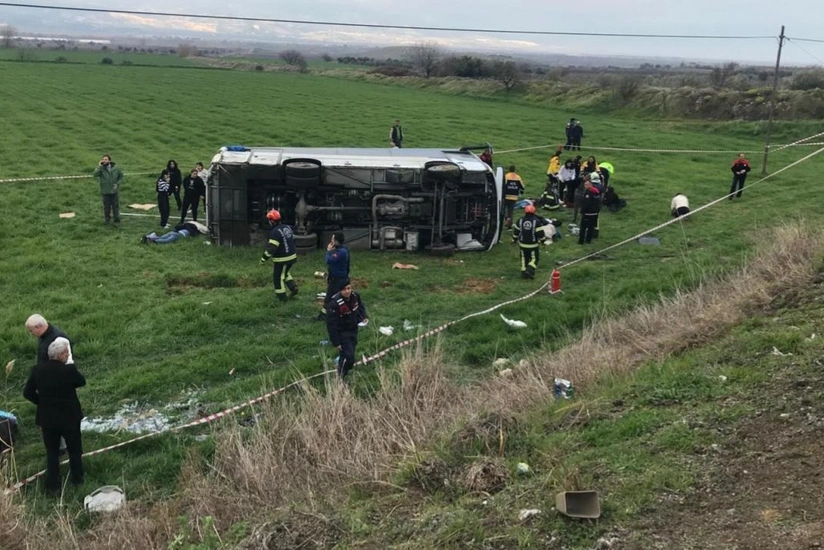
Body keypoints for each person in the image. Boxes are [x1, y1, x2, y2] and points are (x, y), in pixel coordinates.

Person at [23, 337, 86, 493]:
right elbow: (81, 382)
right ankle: (77, 480)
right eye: (66, 353)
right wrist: (72, 365)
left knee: (52, 451)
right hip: (69, 417)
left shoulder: (37, 370)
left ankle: (54, 485)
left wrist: (42, 403)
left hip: (48, 418)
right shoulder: (68, 370)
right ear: (62, 355)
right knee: (74, 450)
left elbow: (27, 392)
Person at [325, 279, 368, 379]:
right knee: (349, 357)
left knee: (349, 354)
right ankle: (341, 375)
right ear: (340, 291)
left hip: (354, 330)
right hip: (342, 333)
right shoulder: (334, 304)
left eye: (349, 288)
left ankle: (342, 372)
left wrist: (363, 317)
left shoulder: (355, 296)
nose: (347, 291)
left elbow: (360, 307)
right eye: (344, 289)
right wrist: (336, 342)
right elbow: (331, 325)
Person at [260, 209, 298, 302]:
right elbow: (293, 240)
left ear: (272, 221)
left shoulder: (274, 232)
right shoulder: (287, 227)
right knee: (285, 273)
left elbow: (272, 248)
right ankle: (293, 287)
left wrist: (263, 259)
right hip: (292, 256)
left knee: (278, 277)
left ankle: (282, 299)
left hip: (282, 259)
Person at [512, 204, 548, 279]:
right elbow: (540, 234)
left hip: (522, 244)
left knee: (523, 258)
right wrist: (543, 241)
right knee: (534, 258)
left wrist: (514, 240)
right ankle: (530, 270)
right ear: (534, 212)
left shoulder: (520, 220)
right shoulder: (537, 221)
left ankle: (523, 272)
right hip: (533, 245)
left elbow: (516, 231)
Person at [92, 154, 123, 224]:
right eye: (103, 159)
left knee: (115, 205)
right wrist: (99, 167)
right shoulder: (101, 169)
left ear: (109, 160)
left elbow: (121, 176)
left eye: (105, 159)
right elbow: (94, 174)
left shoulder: (116, 168)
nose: (104, 161)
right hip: (105, 191)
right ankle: (107, 219)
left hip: (114, 190)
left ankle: (116, 218)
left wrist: (117, 184)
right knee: (106, 206)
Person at [325, 232, 350, 307]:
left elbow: (329, 260)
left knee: (337, 299)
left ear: (336, 241)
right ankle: (324, 314)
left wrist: (328, 251)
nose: (331, 241)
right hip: (335, 278)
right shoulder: (341, 250)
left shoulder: (341, 252)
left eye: (332, 239)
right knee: (329, 298)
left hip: (339, 279)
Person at [141, 221, 208, 244]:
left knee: (163, 238)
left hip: (174, 233)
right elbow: (195, 234)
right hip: (177, 235)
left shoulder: (185, 226)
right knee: (166, 240)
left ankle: (149, 237)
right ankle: (152, 240)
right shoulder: (193, 230)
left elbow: (176, 227)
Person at [578, 178, 601, 245]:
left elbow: (586, 204)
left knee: (583, 227)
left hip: (588, 213)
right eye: (585, 185)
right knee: (591, 227)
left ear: (590, 185)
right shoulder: (596, 192)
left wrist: (582, 211)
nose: (585, 186)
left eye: (586, 185)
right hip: (595, 213)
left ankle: (581, 241)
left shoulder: (588, 193)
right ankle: (588, 240)